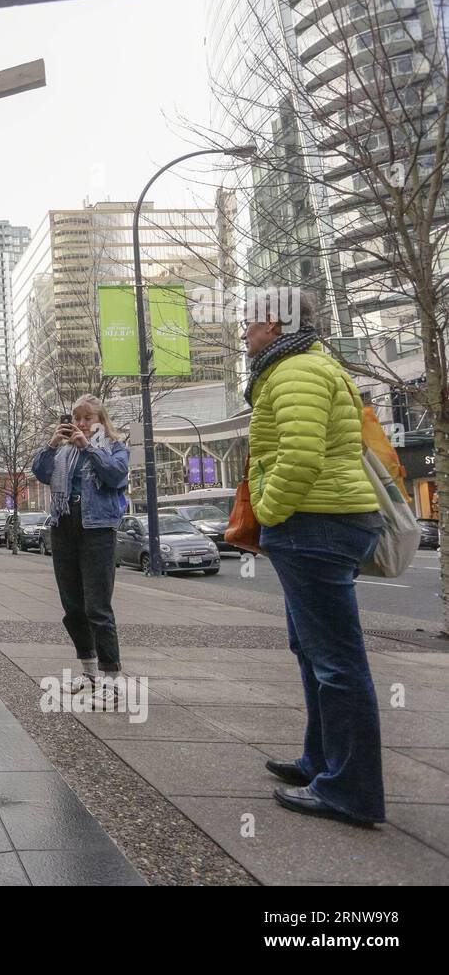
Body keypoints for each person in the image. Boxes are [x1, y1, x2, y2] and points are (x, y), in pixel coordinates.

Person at [244, 292, 385, 827]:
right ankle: (320, 761)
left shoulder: (295, 371)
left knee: (336, 662)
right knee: (312, 651)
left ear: (276, 326)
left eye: (250, 324)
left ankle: (350, 790)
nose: (244, 334)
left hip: (315, 521)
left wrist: (269, 511)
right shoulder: (304, 364)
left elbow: (299, 458)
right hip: (321, 520)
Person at [31, 394, 130, 707]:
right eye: (77, 419)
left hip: (97, 529)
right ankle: (88, 672)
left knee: (97, 607)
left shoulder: (114, 447)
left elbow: (116, 476)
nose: (81, 424)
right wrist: (51, 444)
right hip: (64, 527)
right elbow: (41, 472)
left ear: (100, 420)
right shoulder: (62, 454)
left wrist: (88, 448)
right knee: (73, 606)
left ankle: (111, 681)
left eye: (87, 418)